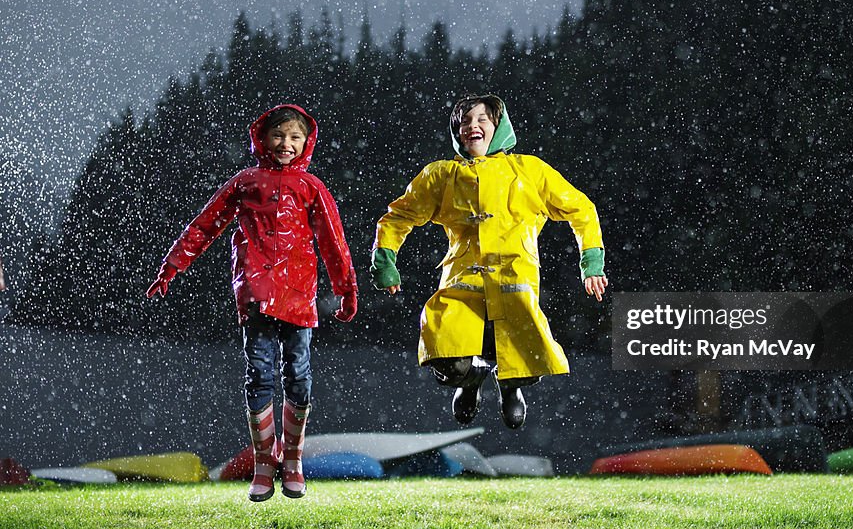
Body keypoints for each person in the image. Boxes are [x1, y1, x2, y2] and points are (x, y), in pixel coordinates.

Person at [146, 104, 357, 502]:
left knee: (299, 373)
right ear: (263, 139)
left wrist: (346, 290)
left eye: (295, 137)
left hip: (298, 294)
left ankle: (291, 458)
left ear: (306, 142)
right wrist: (172, 265)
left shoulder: (312, 188)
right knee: (259, 373)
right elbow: (205, 224)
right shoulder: (246, 182)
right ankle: (265, 461)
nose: (286, 144)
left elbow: (333, 242)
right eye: (279, 135)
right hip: (256, 292)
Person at [371, 94, 607, 429]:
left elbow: (581, 209)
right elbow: (398, 217)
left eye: (482, 119)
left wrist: (591, 261)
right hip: (462, 284)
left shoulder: (529, 170)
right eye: (465, 121)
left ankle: (510, 386)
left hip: (514, 281)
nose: (473, 126)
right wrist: (385, 259)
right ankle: (472, 380)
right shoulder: (441, 176)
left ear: (499, 126)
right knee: (445, 354)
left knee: (527, 356)